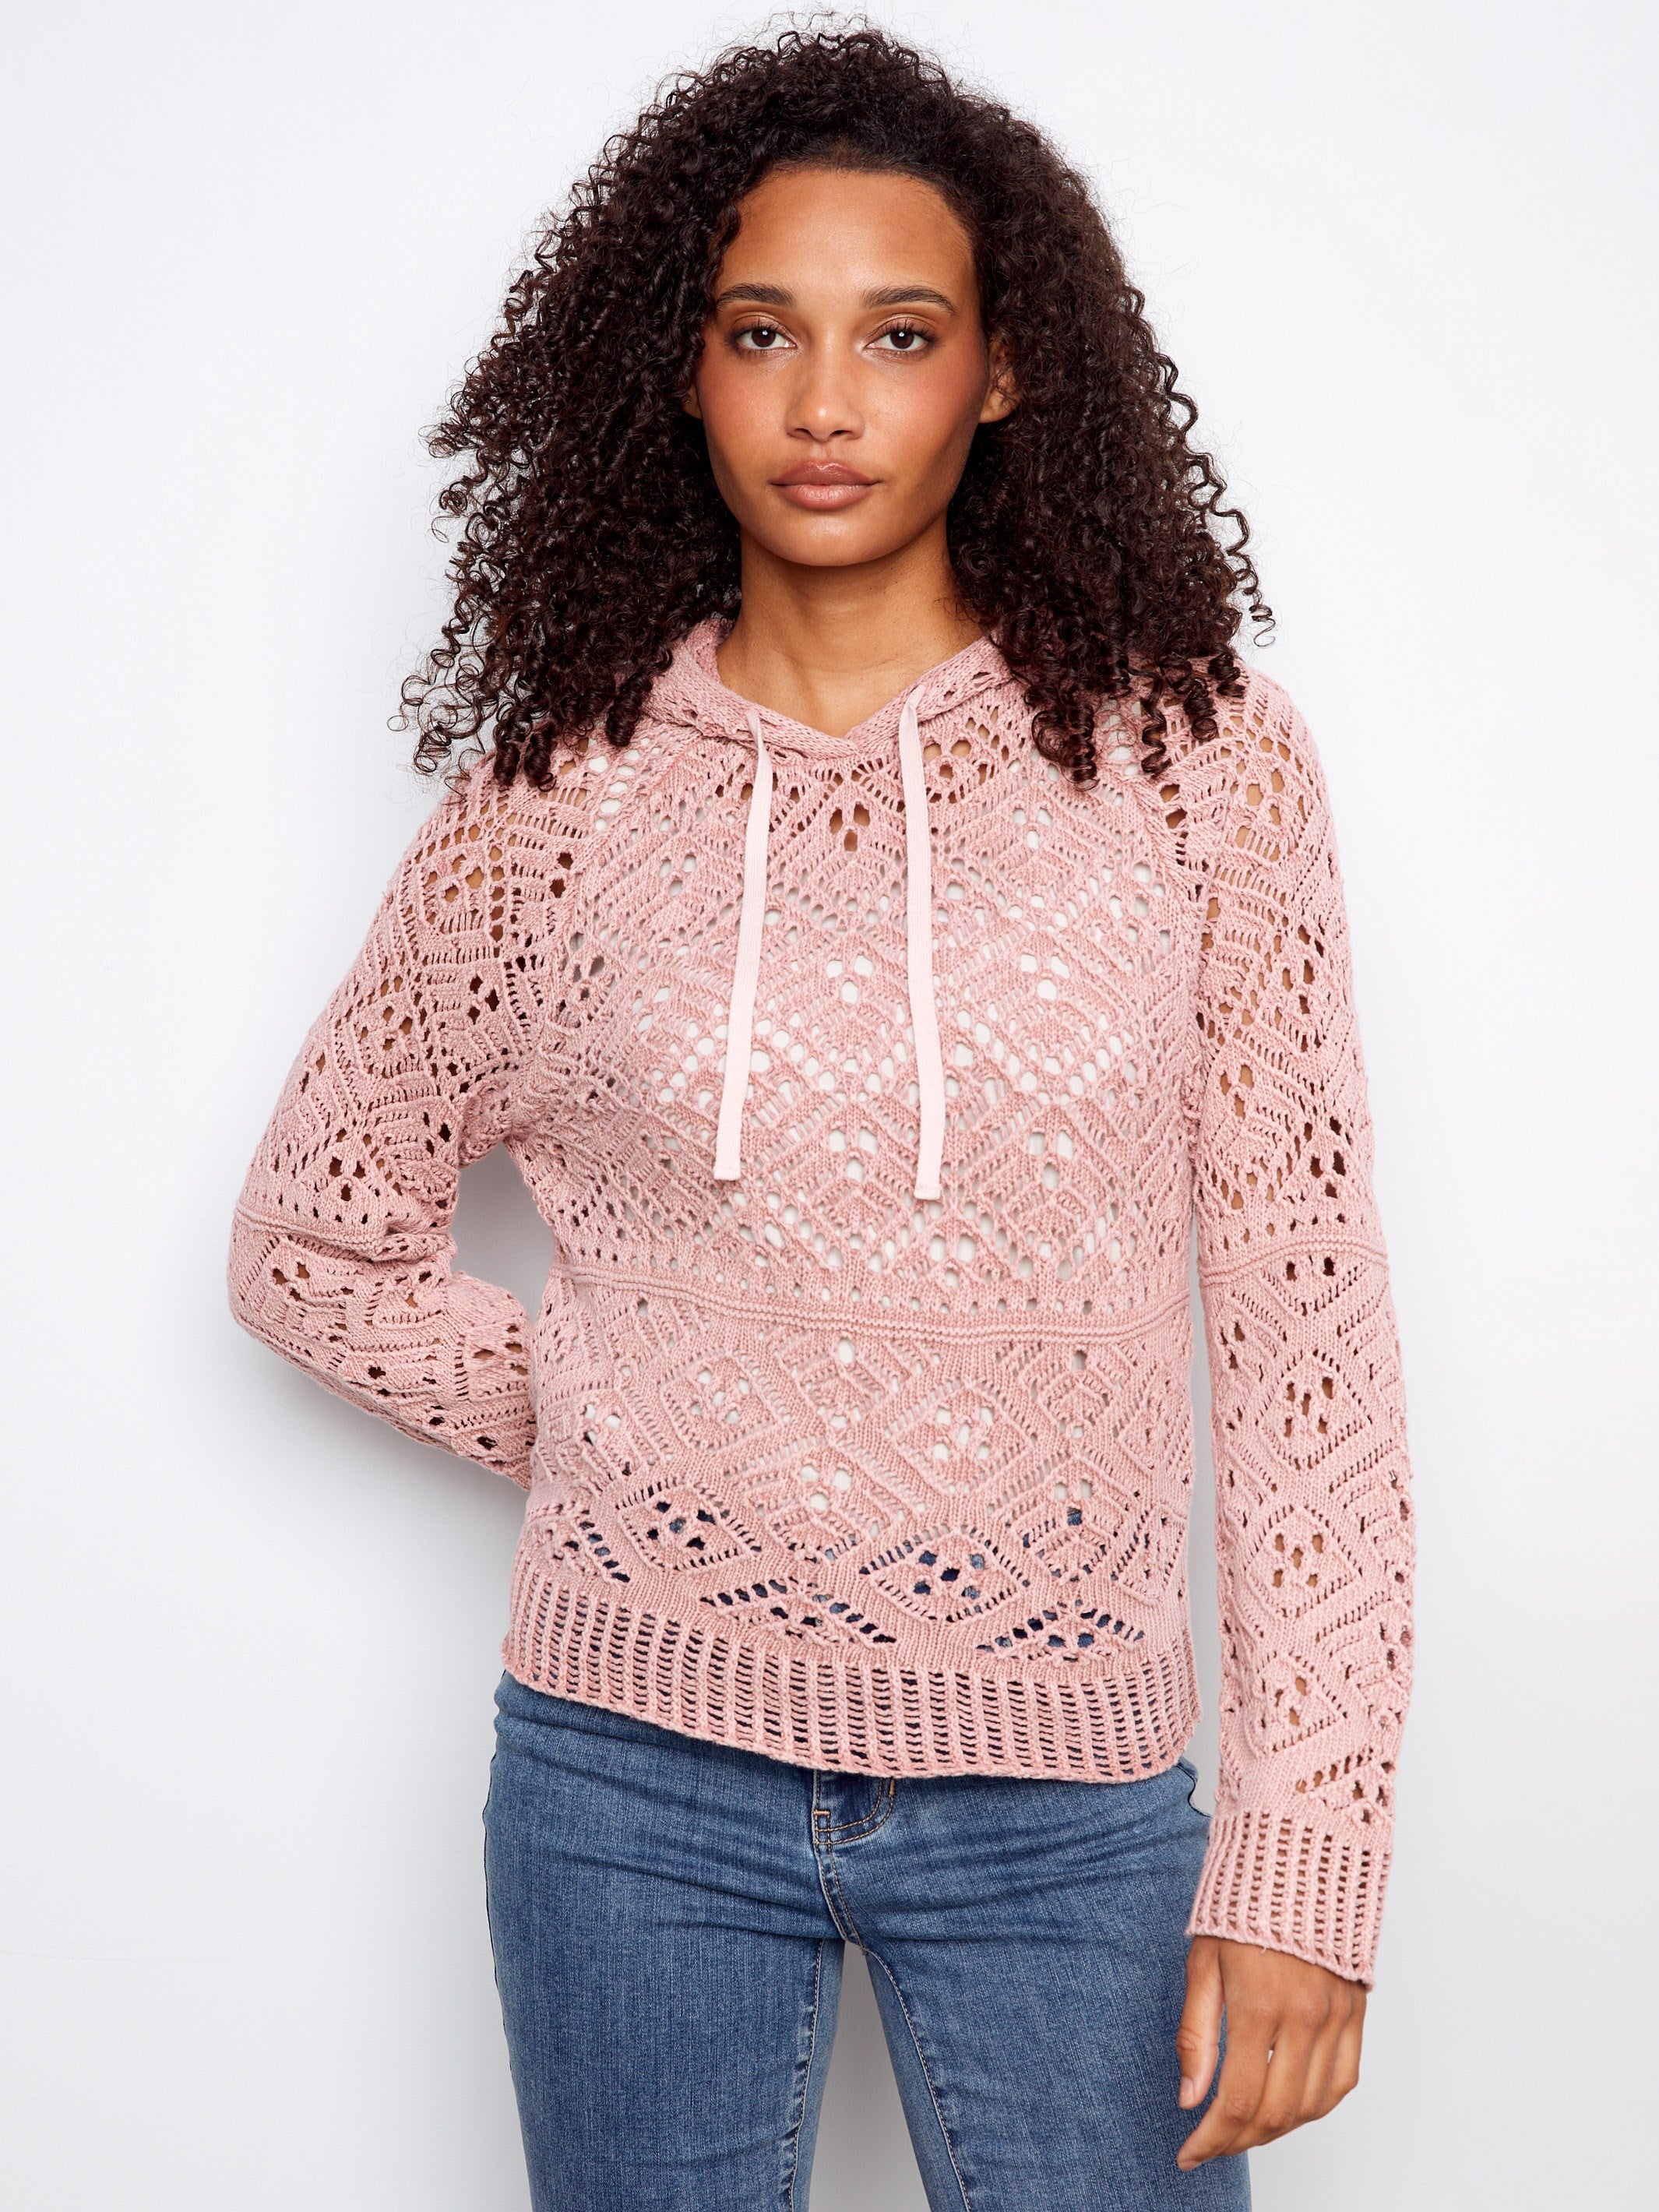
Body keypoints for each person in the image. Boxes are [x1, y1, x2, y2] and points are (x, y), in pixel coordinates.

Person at [227, 26, 1414, 2210]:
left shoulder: (1196, 764)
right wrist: (629, 1420)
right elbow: (313, 1240)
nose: (825, 402)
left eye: (901, 333)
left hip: (1070, 1800)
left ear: (1005, 372)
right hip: (627, 1785)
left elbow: (1303, 1327)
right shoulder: (553, 800)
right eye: (762, 331)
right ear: (682, 371)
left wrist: (1307, 1851)